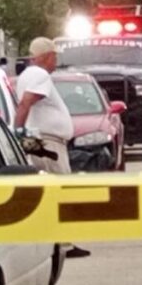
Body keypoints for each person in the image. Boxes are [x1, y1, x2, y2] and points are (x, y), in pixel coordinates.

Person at [15, 38, 90, 258]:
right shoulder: (39, 75)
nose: (56, 60)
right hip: (48, 142)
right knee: (60, 190)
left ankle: (56, 242)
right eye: (54, 56)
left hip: (41, 139)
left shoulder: (28, 75)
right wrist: (17, 131)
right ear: (45, 56)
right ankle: (63, 245)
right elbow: (26, 103)